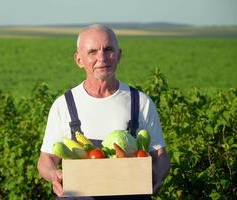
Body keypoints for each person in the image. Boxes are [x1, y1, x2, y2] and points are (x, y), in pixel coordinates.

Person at [37, 24, 171, 199]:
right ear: (79, 60)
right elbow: (46, 160)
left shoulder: (140, 102)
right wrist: (54, 175)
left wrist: (156, 177)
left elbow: (160, 156)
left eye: (108, 50)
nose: (102, 58)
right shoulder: (63, 105)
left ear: (119, 55)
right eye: (92, 52)